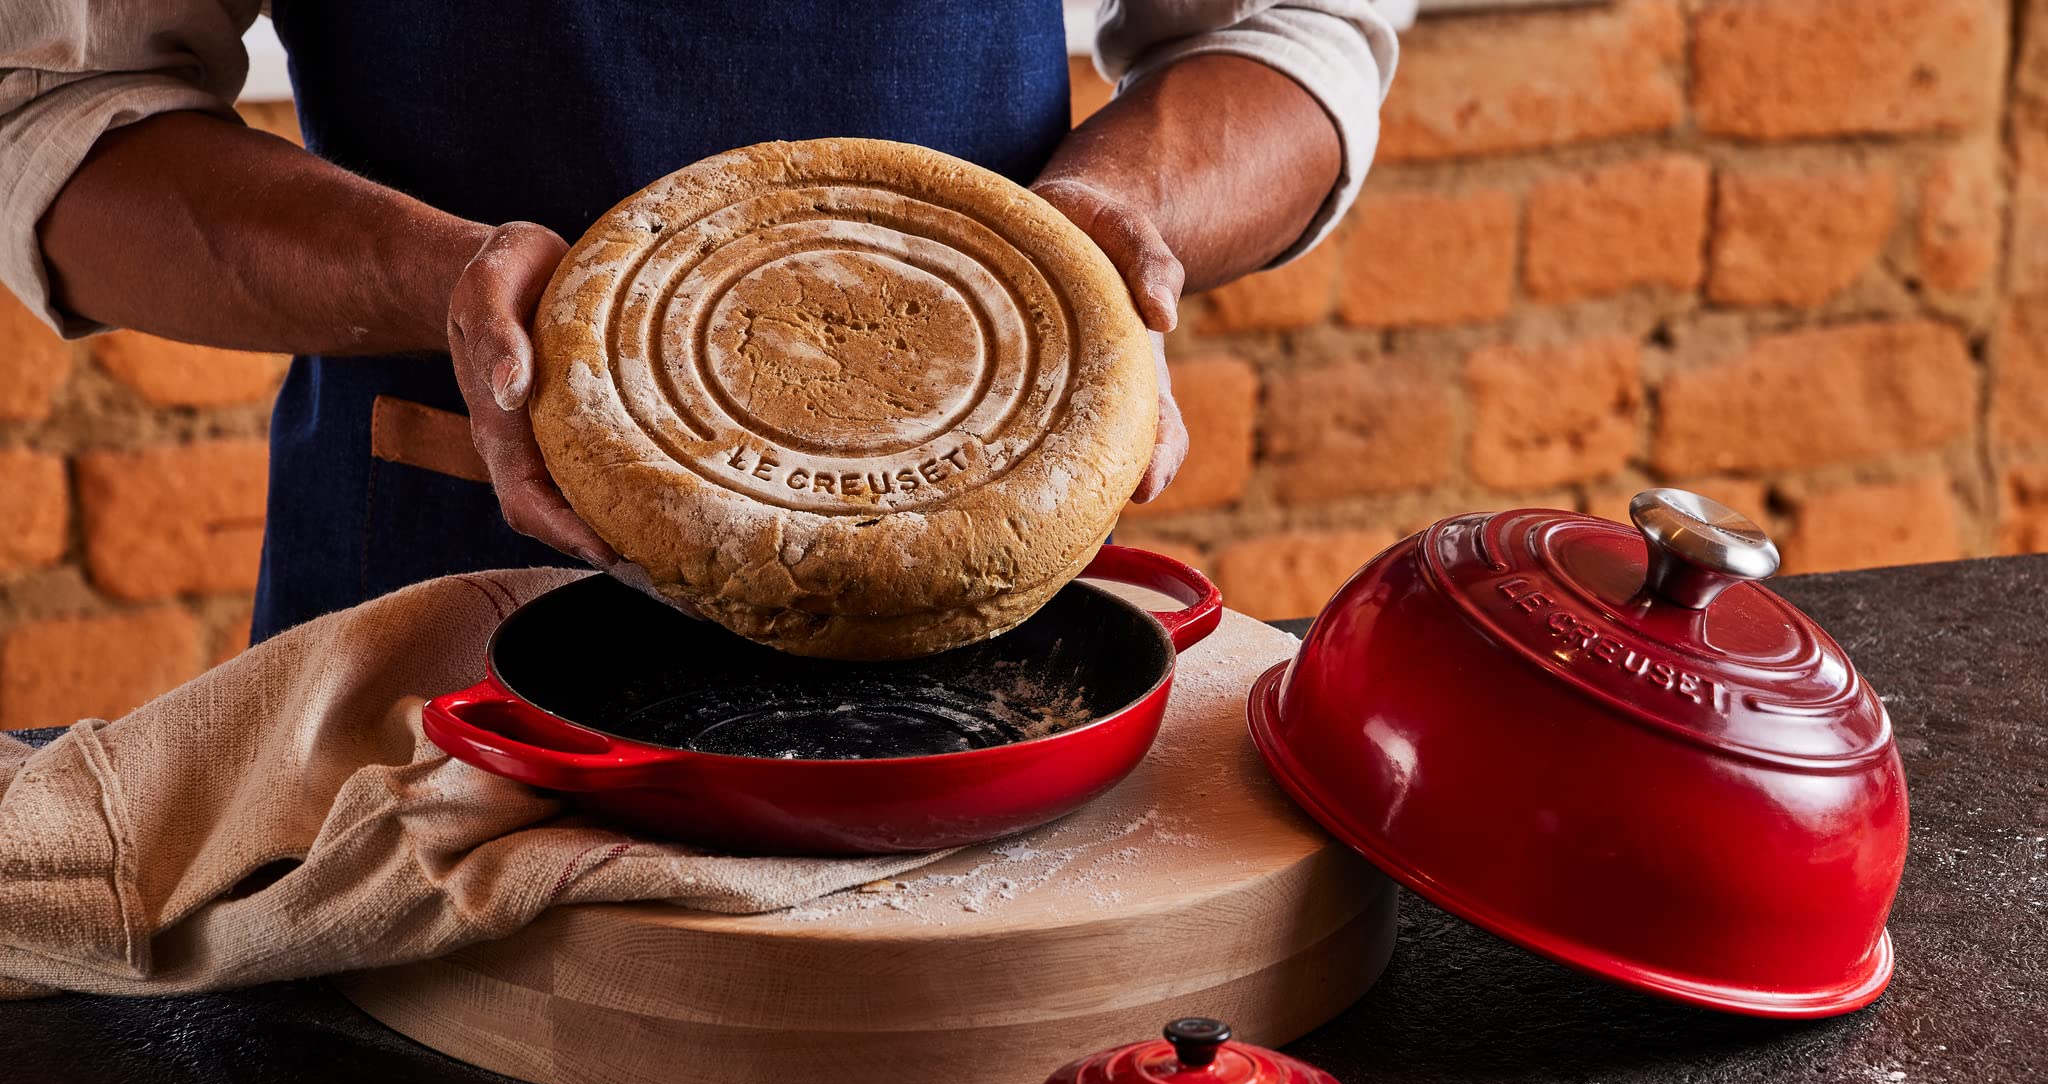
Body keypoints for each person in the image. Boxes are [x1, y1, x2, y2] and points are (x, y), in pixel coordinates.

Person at [1, 2, 1406, 641]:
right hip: (436, 648)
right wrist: (436, 274)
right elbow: (53, 113)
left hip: (984, 651)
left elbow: (1295, 21)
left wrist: (1117, 207)